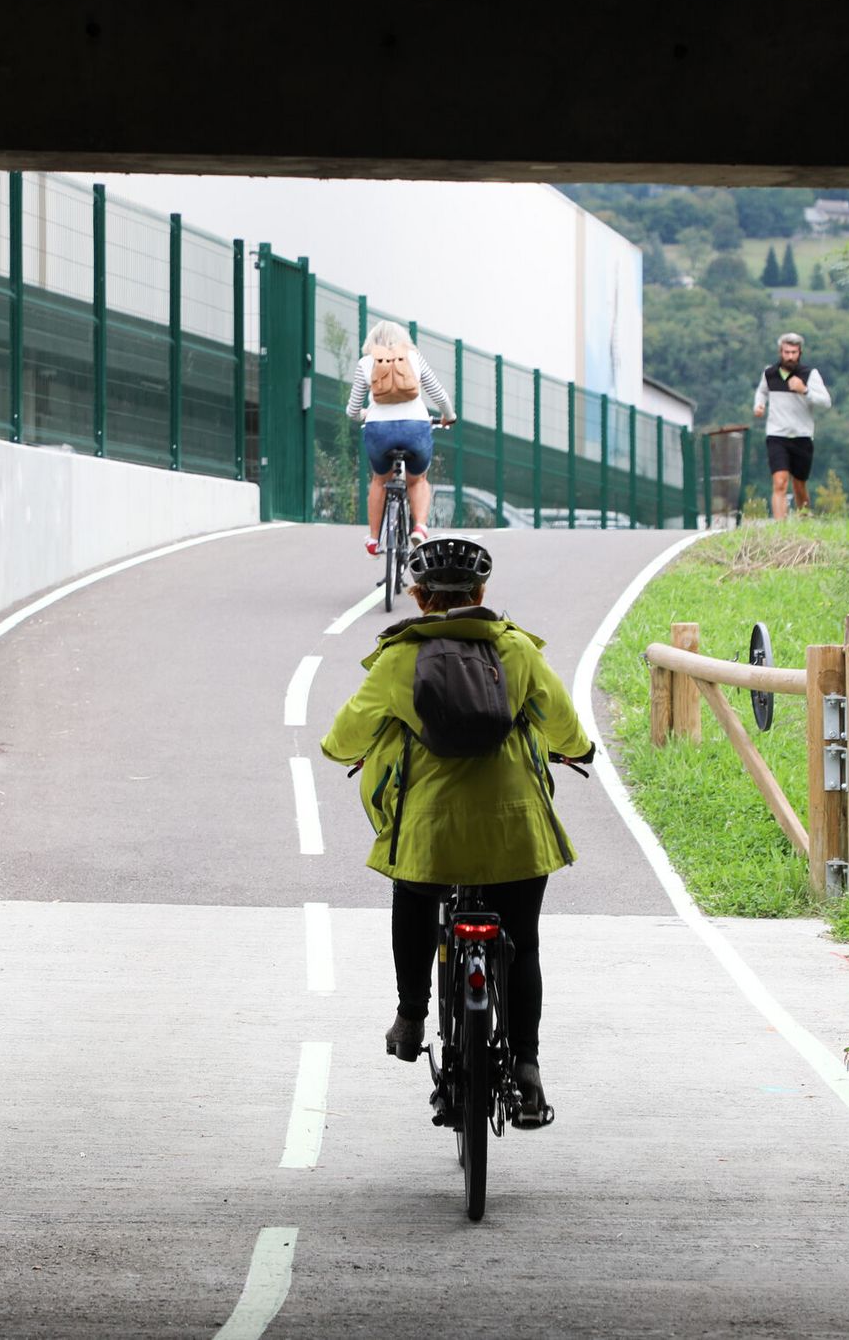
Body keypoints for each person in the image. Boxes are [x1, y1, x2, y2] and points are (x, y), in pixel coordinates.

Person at [318, 536, 593, 1127]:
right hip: (516, 835)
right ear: (481, 594)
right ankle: (526, 1066)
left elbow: (344, 737)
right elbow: (565, 727)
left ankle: (412, 1015)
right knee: (522, 941)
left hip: (430, 836)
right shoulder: (516, 651)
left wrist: (345, 749)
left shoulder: (399, 659)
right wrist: (581, 750)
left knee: (412, 896)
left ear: (418, 598)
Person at [345, 320, 455, 555]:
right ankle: (420, 528)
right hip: (415, 427)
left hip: (378, 431)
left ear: (372, 342)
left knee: (378, 480)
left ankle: (374, 539)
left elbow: (352, 411)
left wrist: (367, 413)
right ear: (404, 340)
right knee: (417, 480)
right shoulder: (414, 358)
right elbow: (439, 393)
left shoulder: (365, 363)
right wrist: (448, 416)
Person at [751, 331, 832, 519]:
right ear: (780, 352)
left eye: (794, 352)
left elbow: (826, 402)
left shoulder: (809, 375)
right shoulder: (769, 373)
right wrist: (759, 405)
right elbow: (762, 392)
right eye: (786, 352)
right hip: (776, 435)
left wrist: (804, 390)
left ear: (800, 353)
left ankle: (804, 521)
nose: (790, 356)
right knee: (780, 482)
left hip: (802, 435)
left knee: (799, 484)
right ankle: (781, 528)